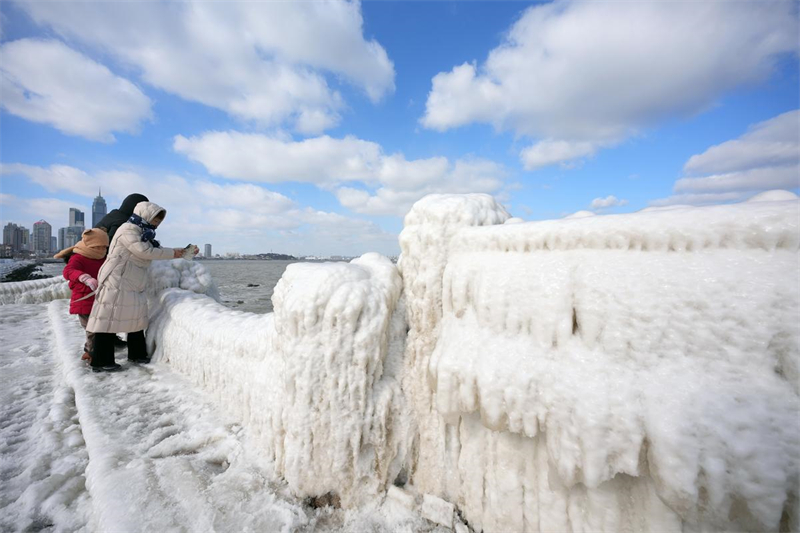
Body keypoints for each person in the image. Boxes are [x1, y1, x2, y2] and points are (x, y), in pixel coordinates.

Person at [87, 201, 198, 372]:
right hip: (117, 280)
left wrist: (182, 251)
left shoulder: (143, 232)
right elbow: (144, 251)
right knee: (107, 320)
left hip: (132, 281)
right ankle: (100, 361)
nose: (156, 224)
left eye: (159, 222)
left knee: (136, 318)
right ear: (145, 216)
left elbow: (155, 248)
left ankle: (137, 354)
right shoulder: (128, 229)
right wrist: (177, 253)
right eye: (155, 220)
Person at [54, 228, 109, 363]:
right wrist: (84, 278)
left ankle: (88, 351)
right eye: (98, 246)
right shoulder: (78, 257)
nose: (101, 249)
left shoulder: (103, 257)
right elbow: (69, 271)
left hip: (99, 298)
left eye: (104, 246)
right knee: (92, 329)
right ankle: (93, 357)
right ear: (89, 244)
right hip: (84, 299)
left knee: (99, 329)